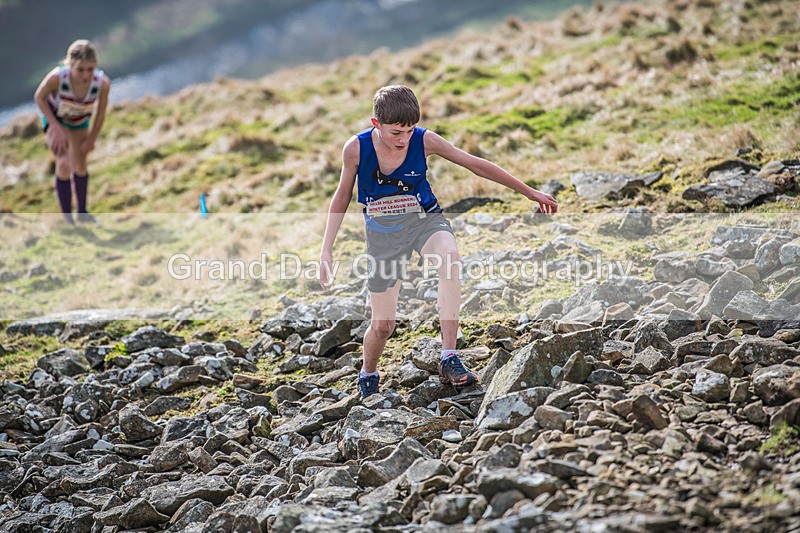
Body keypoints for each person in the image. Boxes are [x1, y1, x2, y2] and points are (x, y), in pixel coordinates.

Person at [319, 85, 558, 398]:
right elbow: (342, 196)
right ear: (376, 124)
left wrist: (531, 192)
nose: (403, 139)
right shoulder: (356, 149)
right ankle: (369, 370)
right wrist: (326, 249)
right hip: (383, 235)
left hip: (425, 220)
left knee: (449, 257)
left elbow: (475, 163)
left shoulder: (424, 140)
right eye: (395, 132)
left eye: (409, 130)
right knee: (383, 327)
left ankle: (449, 356)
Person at [34, 39, 110, 225]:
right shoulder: (57, 78)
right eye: (80, 69)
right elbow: (39, 97)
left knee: (81, 165)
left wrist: (91, 139)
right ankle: (68, 219)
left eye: (90, 69)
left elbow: (100, 115)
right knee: (65, 163)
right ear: (70, 65)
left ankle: (82, 213)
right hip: (56, 120)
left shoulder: (102, 84)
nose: (86, 75)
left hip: (80, 121)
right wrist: (55, 127)